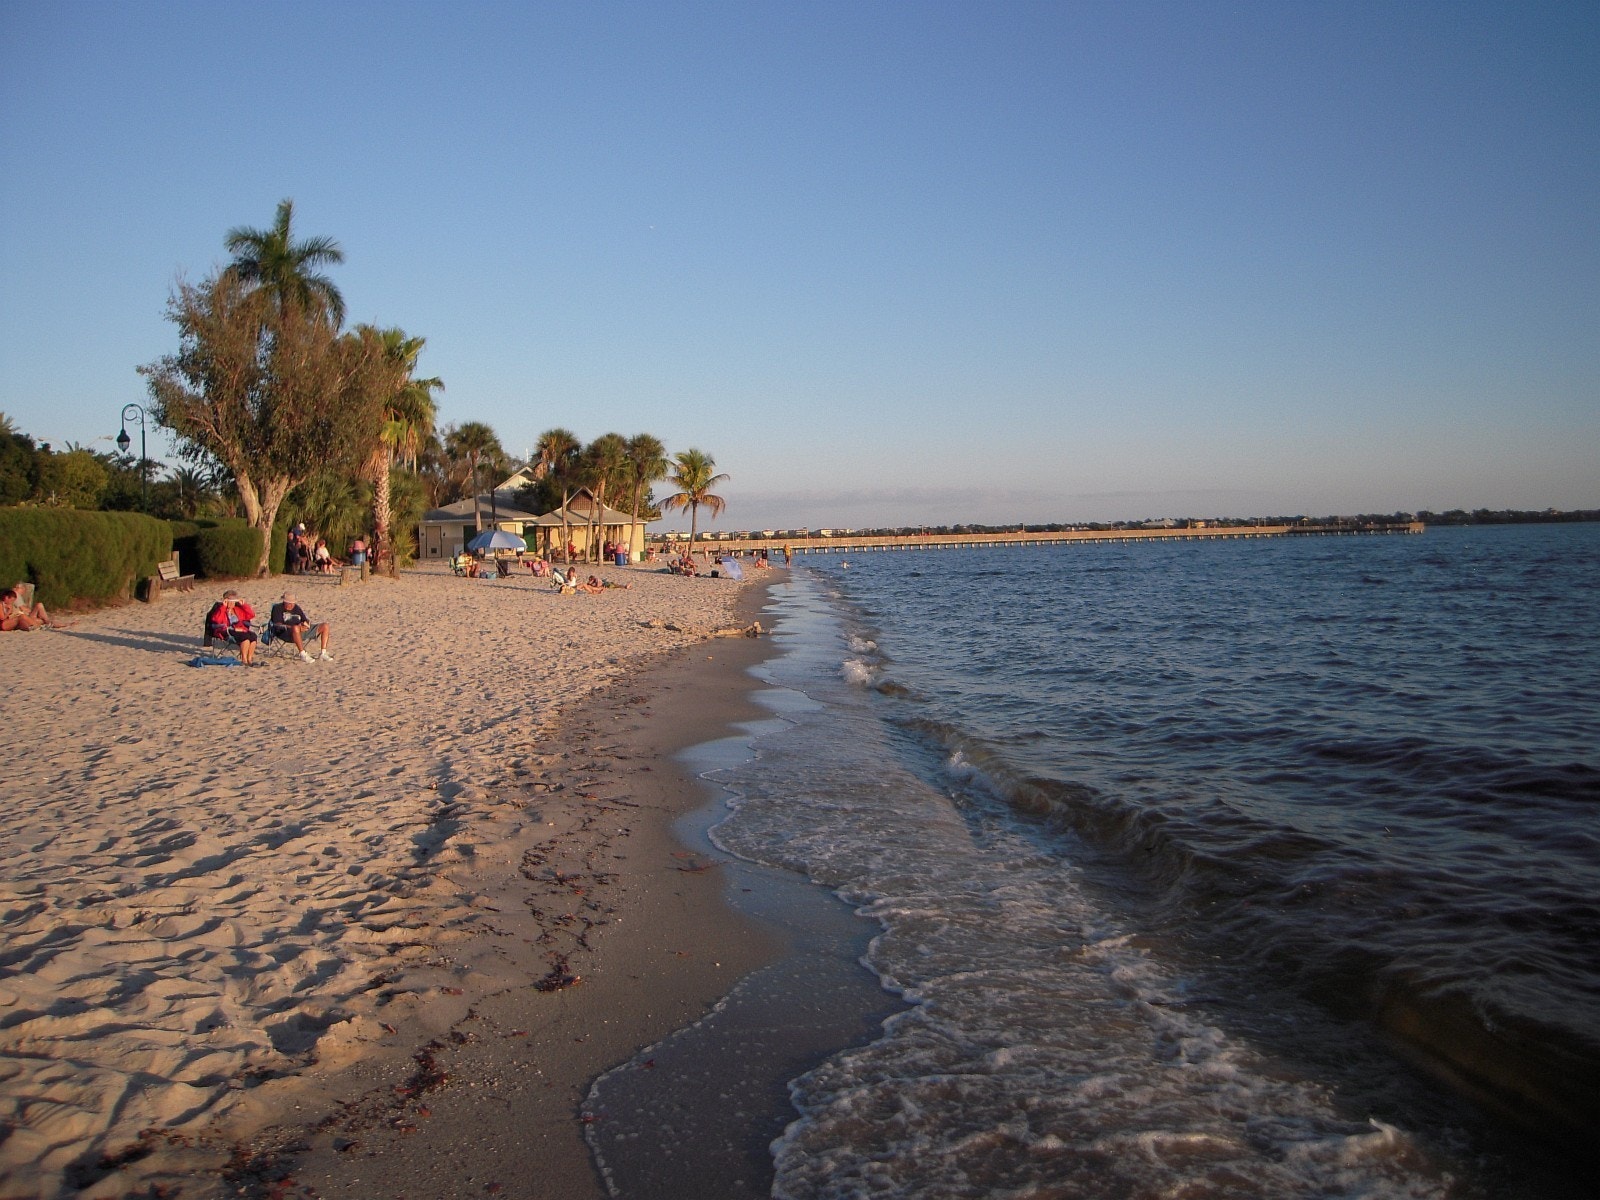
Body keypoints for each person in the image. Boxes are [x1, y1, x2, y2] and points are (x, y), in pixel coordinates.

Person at [270, 592, 333, 662]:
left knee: (325, 626)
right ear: (284, 602)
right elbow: (277, 624)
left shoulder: (296, 607)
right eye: (289, 603)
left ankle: (323, 653)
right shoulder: (277, 608)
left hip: (301, 630)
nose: (291, 605)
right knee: (295, 628)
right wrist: (295, 628)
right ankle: (303, 654)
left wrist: (306, 624)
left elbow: (304, 619)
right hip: (286, 633)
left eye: (293, 603)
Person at [206, 590, 258, 665]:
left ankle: (249, 659)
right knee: (245, 637)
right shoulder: (221, 609)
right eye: (230, 600)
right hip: (226, 630)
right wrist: (223, 607)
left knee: (253, 636)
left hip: (239, 629)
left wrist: (244, 605)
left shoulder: (237, 609)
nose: (232, 603)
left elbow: (251, 615)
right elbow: (217, 620)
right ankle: (244, 660)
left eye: (234, 601)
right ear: (226, 601)